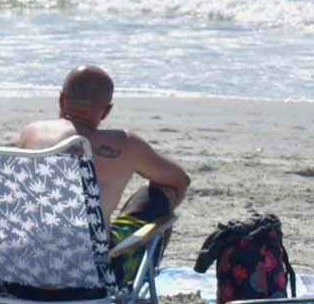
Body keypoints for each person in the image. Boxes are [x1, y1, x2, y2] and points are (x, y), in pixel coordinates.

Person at [18, 65, 191, 221]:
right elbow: (180, 180)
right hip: (89, 255)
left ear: (62, 100)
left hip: (17, 252)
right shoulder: (126, 144)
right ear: (107, 111)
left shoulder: (31, 132)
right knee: (164, 190)